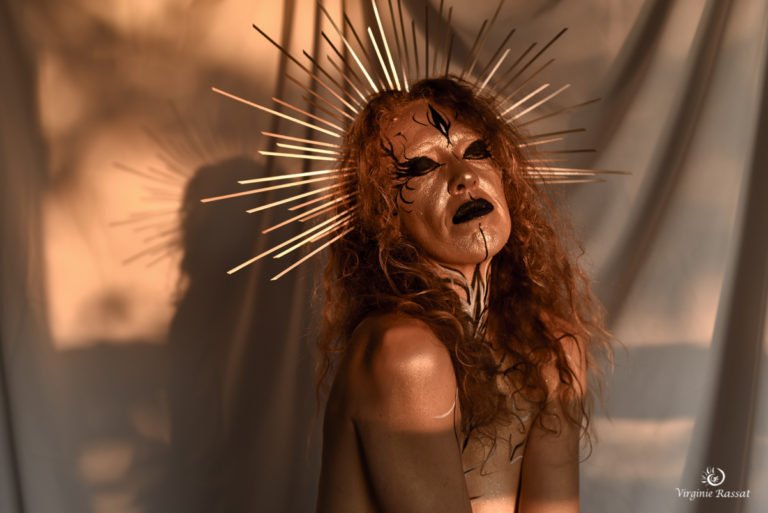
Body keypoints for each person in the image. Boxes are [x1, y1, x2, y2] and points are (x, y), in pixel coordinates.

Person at [313, 77, 612, 513]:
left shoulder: (552, 349)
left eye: (476, 151)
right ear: (385, 216)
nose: (464, 176)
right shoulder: (405, 355)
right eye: (421, 167)